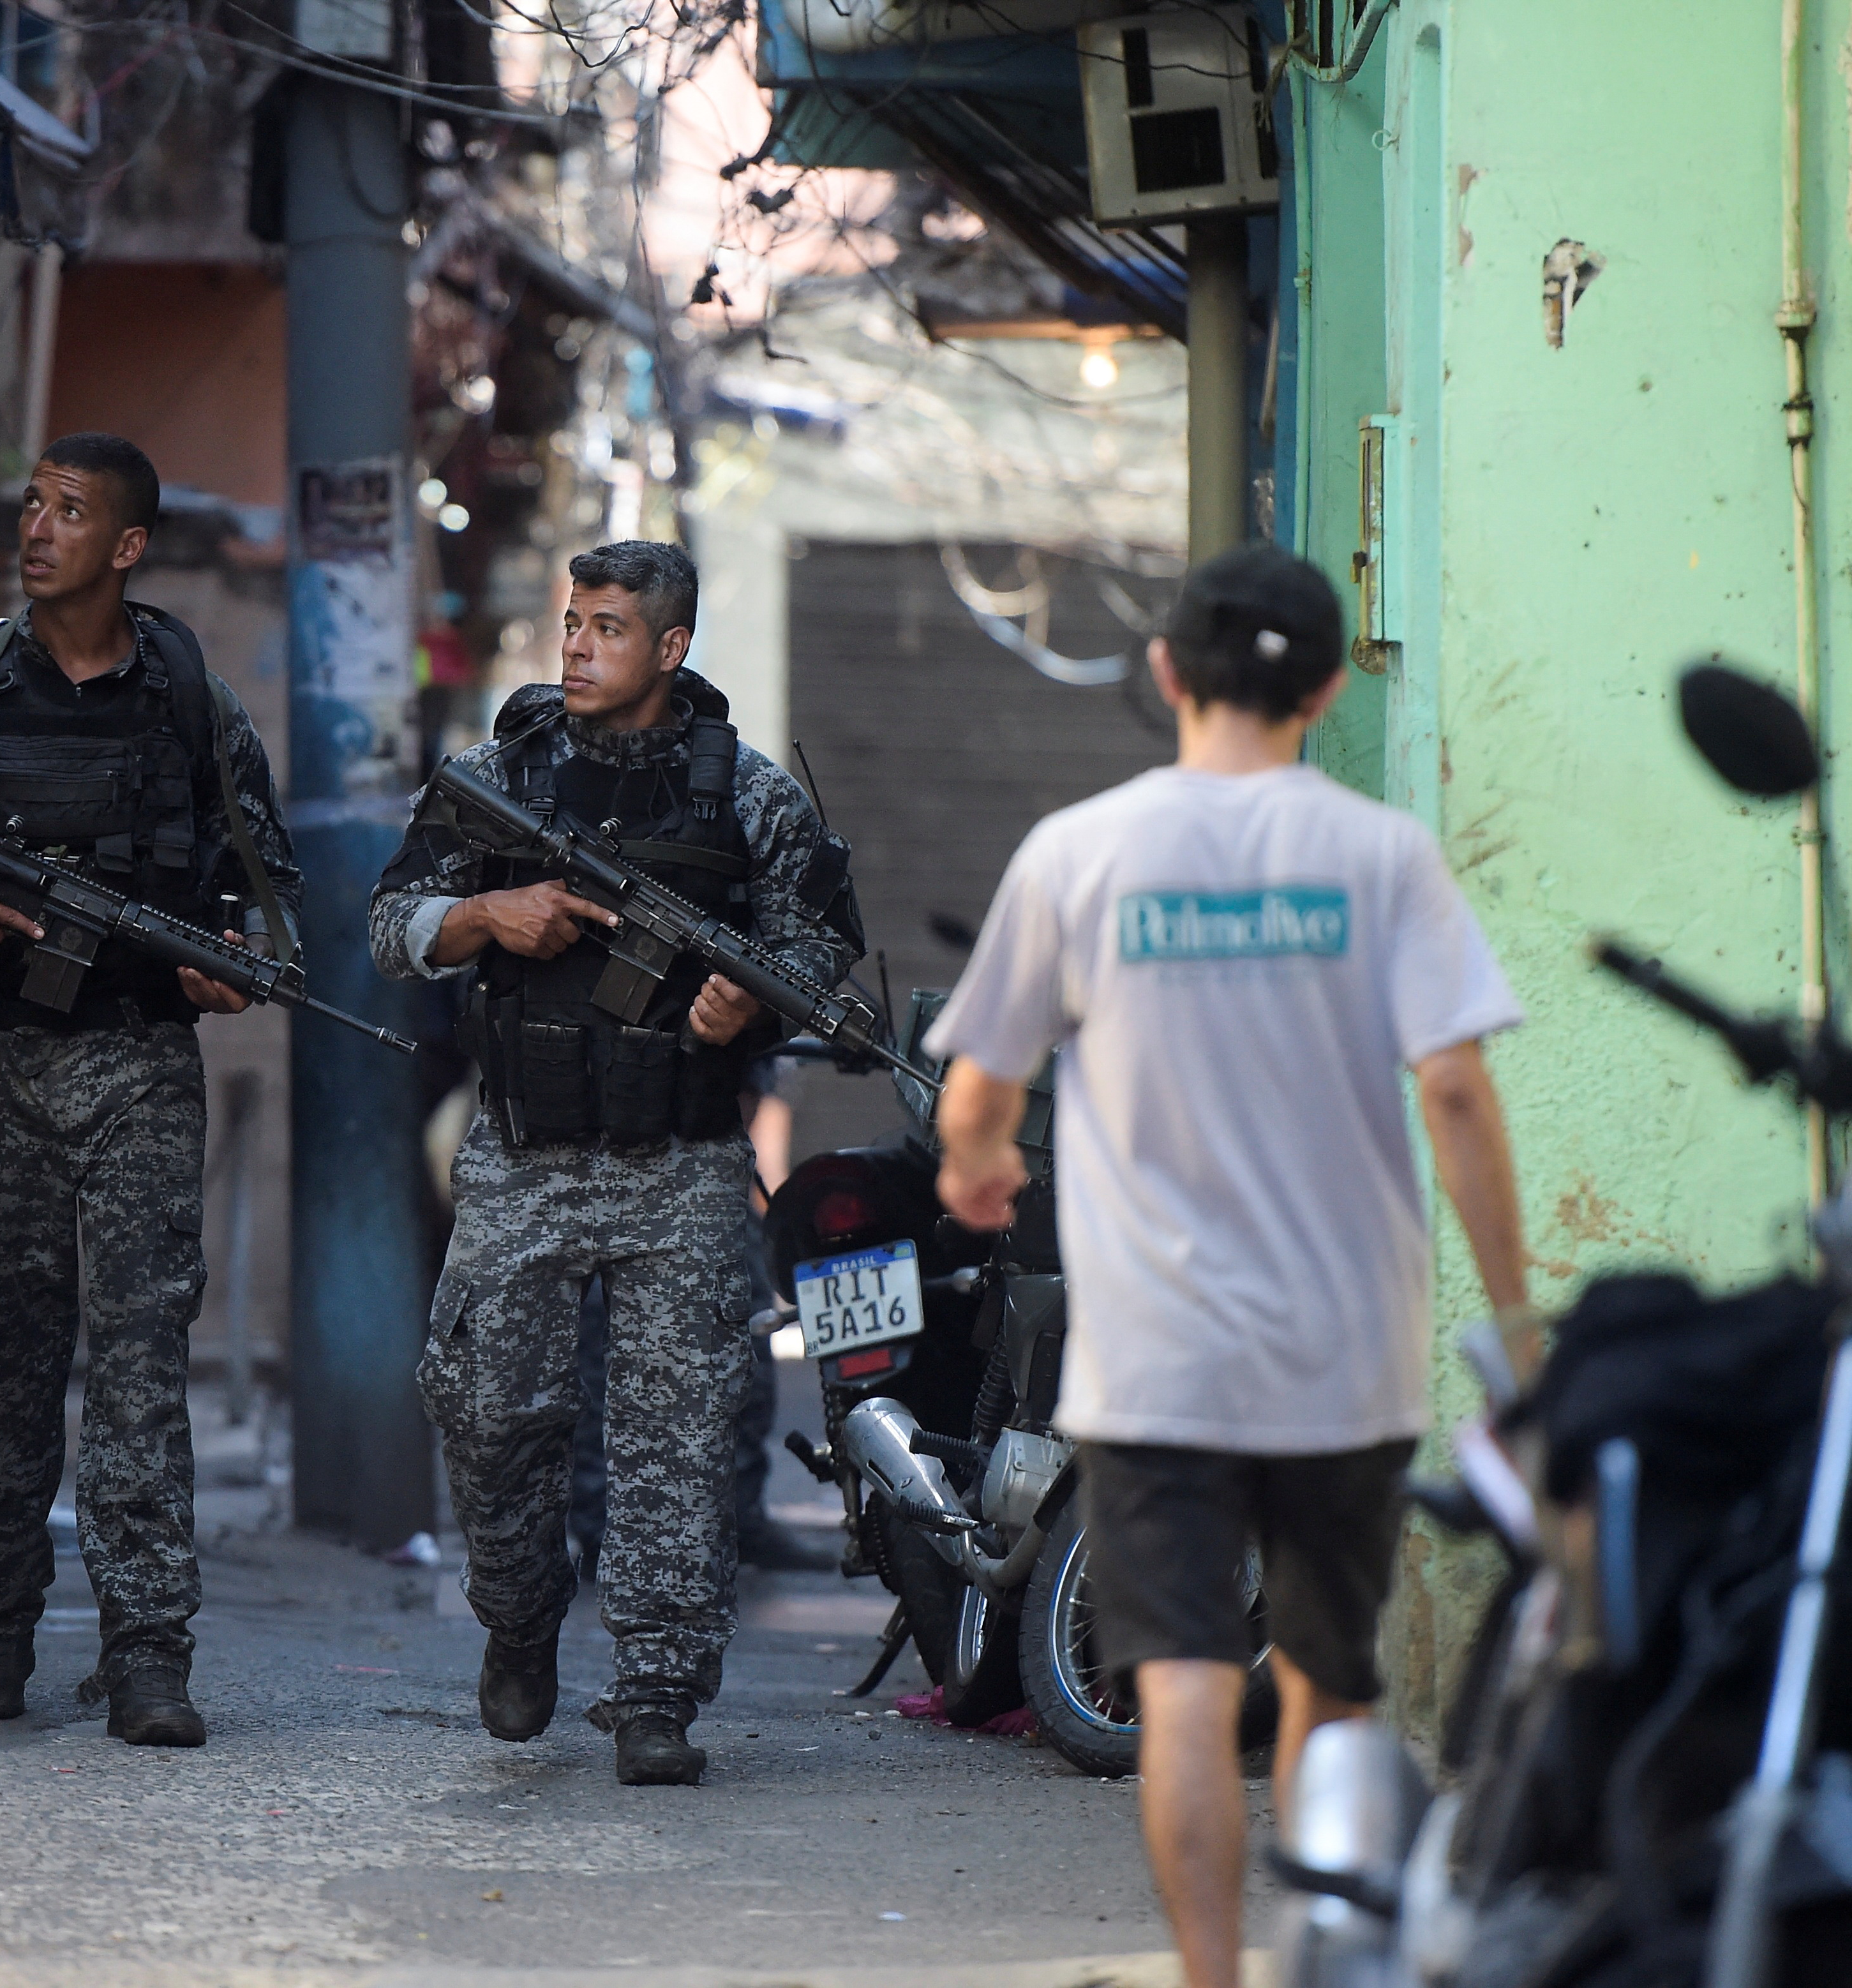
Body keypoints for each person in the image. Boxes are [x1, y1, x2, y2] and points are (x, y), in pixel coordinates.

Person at [925, 544, 1528, 1988]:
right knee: (1330, 1682)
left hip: (1158, 1366)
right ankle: (1318, 1953)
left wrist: (977, 1168)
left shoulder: (1080, 856)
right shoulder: (1383, 859)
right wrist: (1514, 1315)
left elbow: (975, 1094)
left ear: (1163, 672)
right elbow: (1452, 1089)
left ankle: (1210, 1978)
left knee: (1187, 1692)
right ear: (1325, 688)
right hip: (1347, 1356)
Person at [0, 432, 301, 1748]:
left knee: (141, 1364)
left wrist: (240, 967)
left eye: (69, 510)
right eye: (31, 503)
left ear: (127, 547)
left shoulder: (190, 697)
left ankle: (148, 1653)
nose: (38, 527)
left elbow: (271, 886)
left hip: (139, 1062)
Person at [369, 540, 863, 1786]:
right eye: (572, 623)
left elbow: (817, 954)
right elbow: (390, 924)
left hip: (683, 1161)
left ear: (672, 647)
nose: (578, 646)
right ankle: (520, 1621)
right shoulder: (497, 777)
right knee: (493, 1416)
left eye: (606, 627)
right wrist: (492, 915)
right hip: (525, 1155)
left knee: (677, 1440)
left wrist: (749, 1007)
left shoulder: (750, 799)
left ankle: (656, 1694)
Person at [567, 1063, 834, 1580]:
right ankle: (602, 1529)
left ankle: (737, 1519)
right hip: (609, 1160)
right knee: (604, 1353)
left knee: (745, 1338)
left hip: (713, 1163)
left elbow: (762, 1088)